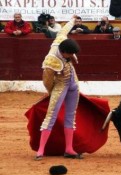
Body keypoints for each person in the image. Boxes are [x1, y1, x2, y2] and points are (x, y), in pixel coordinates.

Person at [35, 15, 82, 161]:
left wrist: (73, 21)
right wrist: (51, 92)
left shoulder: (61, 40)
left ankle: (69, 149)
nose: (71, 56)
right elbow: (47, 80)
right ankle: (40, 150)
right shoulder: (51, 59)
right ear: (63, 52)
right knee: (51, 117)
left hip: (73, 84)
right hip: (60, 86)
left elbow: (64, 31)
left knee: (70, 116)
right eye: (70, 54)